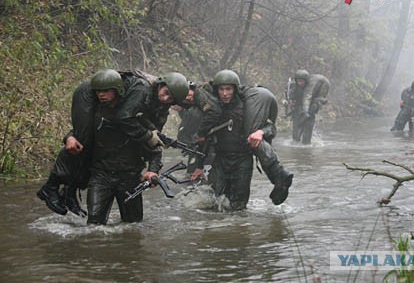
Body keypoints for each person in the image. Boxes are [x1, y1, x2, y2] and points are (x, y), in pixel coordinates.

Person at [37, 69, 190, 218]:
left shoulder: (155, 110)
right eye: (166, 93)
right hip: (102, 172)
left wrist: (153, 169)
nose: (165, 99)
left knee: (132, 225)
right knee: (81, 142)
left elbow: (154, 145)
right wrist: (69, 137)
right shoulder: (138, 91)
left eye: (170, 99)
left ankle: (69, 192)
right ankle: (53, 187)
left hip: (129, 172)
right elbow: (118, 119)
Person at [190, 70, 293, 209]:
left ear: (235, 89)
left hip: (242, 161)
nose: (225, 93)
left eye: (228, 89)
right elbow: (203, 138)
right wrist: (199, 166)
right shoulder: (212, 108)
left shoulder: (248, 106)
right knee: (214, 204)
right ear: (216, 90)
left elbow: (272, 128)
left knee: (238, 207)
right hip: (220, 160)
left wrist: (261, 132)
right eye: (221, 89)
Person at [287, 69, 330, 144]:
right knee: (295, 137)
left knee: (306, 139)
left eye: (302, 81)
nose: (300, 83)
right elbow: (290, 98)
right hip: (297, 111)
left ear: (306, 81)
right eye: (298, 81)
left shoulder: (313, 86)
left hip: (310, 111)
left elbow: (307, 97)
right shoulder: (293, 86)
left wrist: (307, 112)